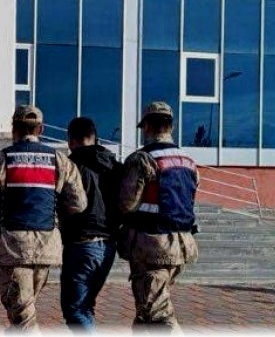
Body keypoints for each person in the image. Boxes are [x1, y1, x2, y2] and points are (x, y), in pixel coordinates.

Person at [0, 106, 87, 330]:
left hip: (13, 246)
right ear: (41, 129)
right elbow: (78, 203)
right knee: (24, 310)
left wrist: (3, 212)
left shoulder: (1, 160)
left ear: (14, 128)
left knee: (22, 316)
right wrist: (53, 213)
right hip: (46, 245)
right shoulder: (59, 160)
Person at [118, 101, 200, 332]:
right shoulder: (189, 161)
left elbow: (126, 204)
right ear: (171, 127)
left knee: (158, 314)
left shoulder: (142, 159)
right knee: (147, 309)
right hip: (182, 245)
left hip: (151, 245)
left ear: (146, 127)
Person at [59, 116, 124, 332]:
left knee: (74, 310)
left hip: (81, 243)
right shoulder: (115, 166)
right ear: (95, 138)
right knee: (85, 306)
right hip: (108, 246)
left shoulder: (71, 167)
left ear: (71, 141)